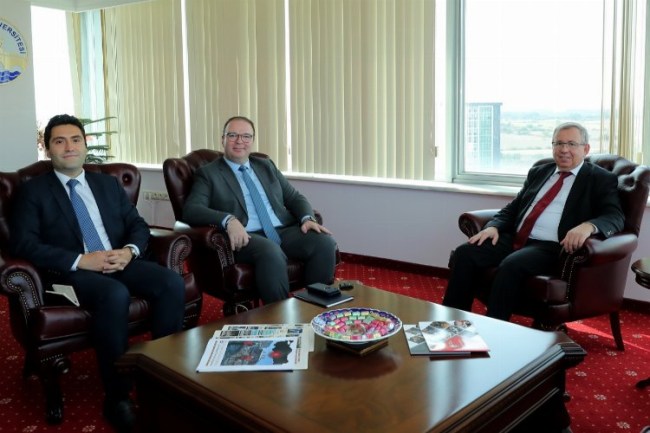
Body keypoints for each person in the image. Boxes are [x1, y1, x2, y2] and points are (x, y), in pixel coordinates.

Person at [10, 114, 185, 433]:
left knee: (171, 283)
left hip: (117, 260)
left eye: (75, 139)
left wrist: (128, 251)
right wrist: (80, 260)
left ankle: (162, 376)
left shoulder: (107, 184)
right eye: (59, 141)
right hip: (68, 273)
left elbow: (137, 225)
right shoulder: (33, 191)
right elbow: (24, 244)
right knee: (113, 294)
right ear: (48, 149)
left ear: (85, 145)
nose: (69, 147)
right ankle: (117, 397)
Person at [443, 122, 625, 321]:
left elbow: (615, 216)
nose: (564, 149)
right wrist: (494, 226)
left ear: (586, 149)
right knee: (465, 253)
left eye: (572, 144)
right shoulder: (540, 172)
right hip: (516, 238)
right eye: (559, 143)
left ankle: (495, 327)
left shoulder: (599, 178)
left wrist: (588, 226)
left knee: (512, 265)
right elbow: (513, 208)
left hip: (551, 247)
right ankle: (451, 323)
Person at [182, 115, 338, 303]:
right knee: (270, 251)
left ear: (253, 140)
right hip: (247, 236)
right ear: (223, 139)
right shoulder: (209, 173)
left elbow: (294, 197)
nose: (239, 141)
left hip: (283, 230)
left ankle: (315, 307)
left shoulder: (265, 165)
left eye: (246, 136)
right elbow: (191, 210)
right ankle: (280, 316)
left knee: (325, 243)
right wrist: (229, 220)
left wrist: (307, 218)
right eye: (232, 135)